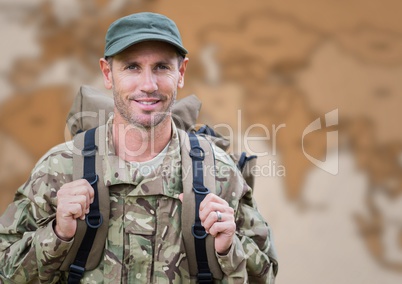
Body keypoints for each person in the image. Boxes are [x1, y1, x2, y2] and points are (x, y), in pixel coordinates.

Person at [0, 12, 277, 283]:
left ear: (180, 73)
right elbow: (5, 270)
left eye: (161, 67)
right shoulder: (60, 168)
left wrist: (229, 248)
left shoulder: (219, 174)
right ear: (108, 73)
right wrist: (58, 234)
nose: (148, 85)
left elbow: (265, 276)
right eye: (132, 67)